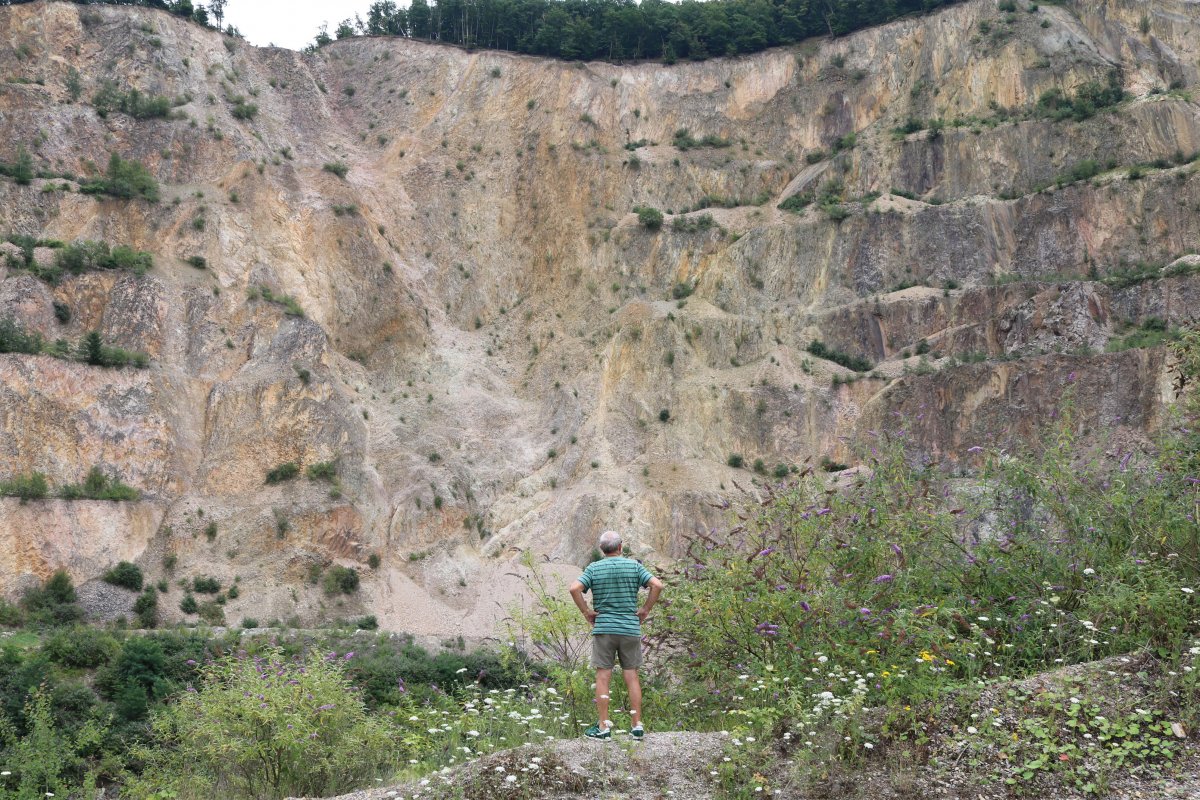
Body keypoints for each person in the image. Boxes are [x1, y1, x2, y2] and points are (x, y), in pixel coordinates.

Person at [568, 530, 664, 740]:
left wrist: (587, 612)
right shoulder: (634, 566)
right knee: (631, 675)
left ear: (602, 550)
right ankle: (636, 725)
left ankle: (603, 727)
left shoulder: (594, 568)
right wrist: (645, 609)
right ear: (620, 547)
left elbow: (574, 588)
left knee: (603, 676)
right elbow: (657, 585)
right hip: (630, 628)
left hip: (604, 629)